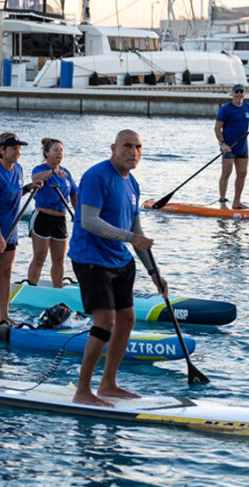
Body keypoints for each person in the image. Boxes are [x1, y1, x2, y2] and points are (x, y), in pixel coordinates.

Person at [69, 129, 165, 407]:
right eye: (127, 146)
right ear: (114, 148)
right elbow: (88, 220)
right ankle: (83, 390)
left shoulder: (132, 183)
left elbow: (136, 229)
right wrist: (129, 238)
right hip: (91, 258)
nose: (133, 151)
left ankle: (108, 384)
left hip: (120, 259)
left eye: (138, 147)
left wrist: (154, 273)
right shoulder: (97, 176)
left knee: (127, 320)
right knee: (105, 322)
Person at [0, 132, 47, 324]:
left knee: (6, 273)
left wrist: (30, 187)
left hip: (10, 230)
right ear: (2, 151)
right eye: (14, 149)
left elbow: (15, 193)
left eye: (19, 149)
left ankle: (4, 316)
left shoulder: (18, 169)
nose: (17, 152)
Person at [26, 138, 77, 288]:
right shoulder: (39, 169)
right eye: (55, 150)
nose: (59, 153)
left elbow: (74, 194)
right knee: (39, 258)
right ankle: (31, 288)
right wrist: (53, 171)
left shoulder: (66, 173)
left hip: (60, 219)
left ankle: (57, 289)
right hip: (42, 217)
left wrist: (79, 213)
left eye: (61, 150)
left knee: (59, 259)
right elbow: (35, 179)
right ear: (47, 153)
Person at [214, 84, 249, 210]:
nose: (239, 94)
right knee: (226, 173)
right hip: (228, 147)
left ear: (244, 94)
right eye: (236, 92)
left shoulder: (248, 107)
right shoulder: (226, 109)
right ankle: (222, 202)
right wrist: (222, 144)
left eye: (241, 92)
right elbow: (217, 128)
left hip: (242, 147)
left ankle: (237, 202)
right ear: (232, 94)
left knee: (242, 173)